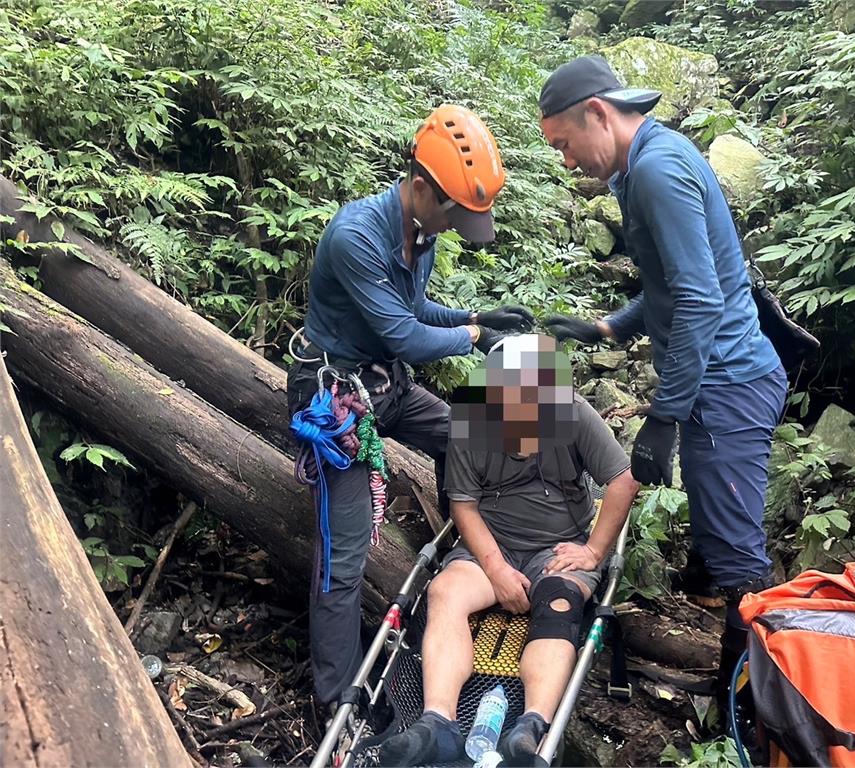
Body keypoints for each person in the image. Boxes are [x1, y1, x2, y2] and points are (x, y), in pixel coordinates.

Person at [536, 55, 789, 712]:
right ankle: (739, 679)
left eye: (564, 144)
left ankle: (747, 717)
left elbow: (703, 300)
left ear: (597, 113)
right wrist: (608, 329)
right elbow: (668, 284)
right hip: (718, 383)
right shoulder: (639, 166)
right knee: (723, 549)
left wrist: (666, 415)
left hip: (728, 387)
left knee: (743, 570)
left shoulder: (656, 170)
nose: (566, 162)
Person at [287, 104, 535, 707]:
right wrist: (476, 339)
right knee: (344, 561)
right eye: (455, 213)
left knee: (464, 436)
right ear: (420, 187)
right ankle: (335, 699)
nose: (455, 227)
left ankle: (461, 548)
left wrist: (475, 317)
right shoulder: (356, 237)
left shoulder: (420, 231)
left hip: (385, 385)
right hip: (336, 402)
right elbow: (405, 335)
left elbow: (416, 312)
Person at [378, 334, 640, 766]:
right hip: (490, 545)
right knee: (444, 593)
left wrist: (593, 551)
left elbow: (624, 479)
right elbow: (463, 505)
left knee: (559, 602)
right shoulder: (472, 420)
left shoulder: (571, 413)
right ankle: (437, 722)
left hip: (557, 547)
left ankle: (530, 726)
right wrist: (496, 568)